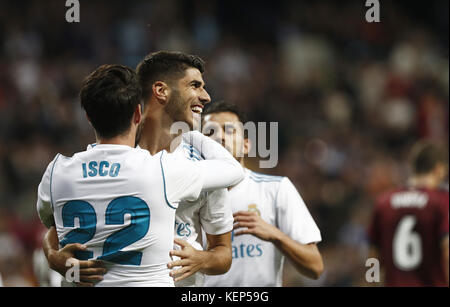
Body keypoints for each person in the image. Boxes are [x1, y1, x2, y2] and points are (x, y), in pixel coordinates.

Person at [36, 64, 244, 286]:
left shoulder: (57, 172)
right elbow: (233, 169)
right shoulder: (162, 170)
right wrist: (191, 129)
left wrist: (52, 255)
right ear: (137, 113)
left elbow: (51, 225)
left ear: (88, 117)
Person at [201, 101, 324, 287]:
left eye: (229, 130)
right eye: (210, 132)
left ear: (246, 145)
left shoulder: (276, 189)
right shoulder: (188, 198)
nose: (219, 137)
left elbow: (315, 267)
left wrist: (276, 236)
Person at [368, 142, 449, 287]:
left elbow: (373, 257)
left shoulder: (384, 202)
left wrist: (371, 283)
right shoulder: (441, 201)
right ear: (439, 170)